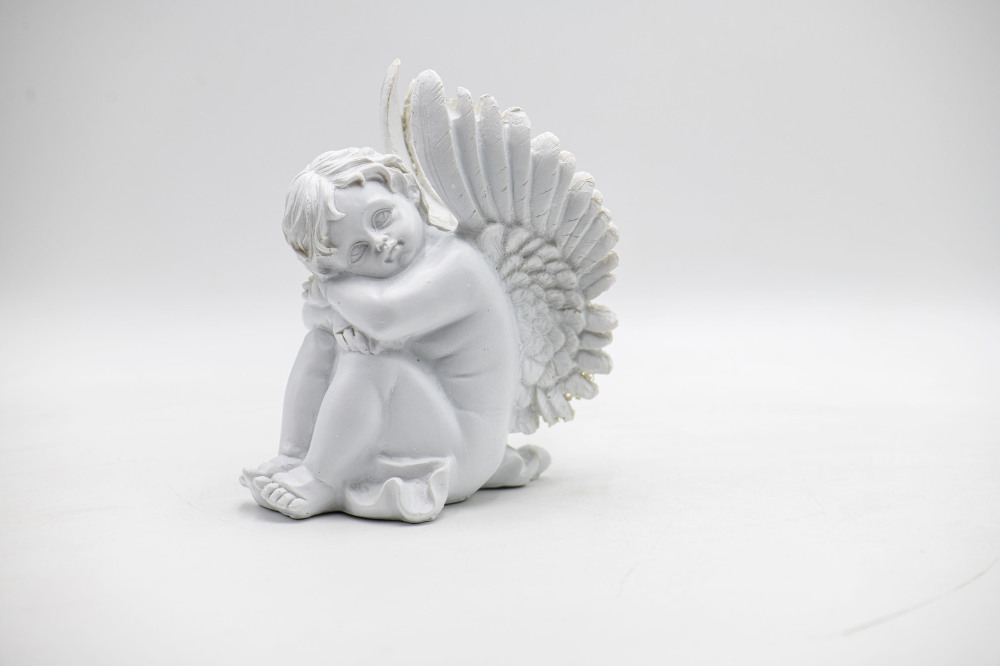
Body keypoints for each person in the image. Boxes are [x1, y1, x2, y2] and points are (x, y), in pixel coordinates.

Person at [241, 148, 547, 522]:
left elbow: (385, 317)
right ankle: (294, 454)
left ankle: (321, 478)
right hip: (426, 419)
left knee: (371, 362)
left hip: (464, 447)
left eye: (382, 217)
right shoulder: (379, 280)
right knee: (320, 343)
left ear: (408, 192)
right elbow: (314, 317)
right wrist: (336, 319)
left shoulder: (458, 265)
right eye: (357, 251)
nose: (381, 243)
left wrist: (328, 287)